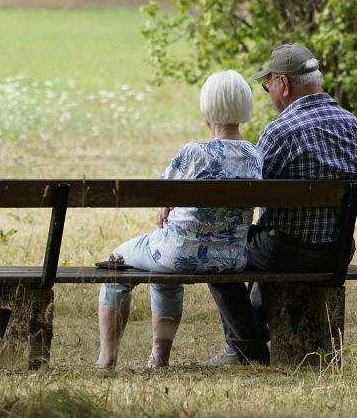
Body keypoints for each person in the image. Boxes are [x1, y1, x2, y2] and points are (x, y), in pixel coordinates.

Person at [202, 43, 357, 366]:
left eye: (268, 87)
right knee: (267, 240)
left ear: (283, 83)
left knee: (216, 250)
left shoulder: (279, 132)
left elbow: (250, 197)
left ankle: (247, 347)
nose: (269, 94)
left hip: (288, 253)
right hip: (338, 252)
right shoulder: (354, 126)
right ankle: (251, 333)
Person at [96, 69, 264, 371]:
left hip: (177, 255)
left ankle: (106, 360)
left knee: (116, 263)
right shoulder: (255, 156)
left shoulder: (194, 153)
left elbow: (158, 193)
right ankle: (158, 358)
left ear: (207, 110)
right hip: (230, 260)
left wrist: (166, 204)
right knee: (163, 266)